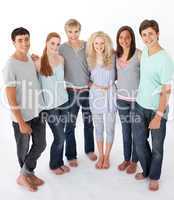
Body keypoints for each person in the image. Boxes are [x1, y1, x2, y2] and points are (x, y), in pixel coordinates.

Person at [2, 27, 46, 192]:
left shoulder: (29, 59)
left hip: (38, 112)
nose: (24, 43)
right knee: (23, 148)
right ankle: (23, 176)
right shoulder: (10, 65)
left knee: (41, 144)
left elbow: (39, 80)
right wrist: (20, 122)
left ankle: (27, 172)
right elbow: (10, 97)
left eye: (26, 39)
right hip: (23, 117)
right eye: (20, 40)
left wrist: (39, 61)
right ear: (13, 42)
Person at [133, 19, 174, 191]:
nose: (147, 37)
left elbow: (167, 90)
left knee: (157, 148)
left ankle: (154, 176)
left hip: (157, 110)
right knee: (140, 143)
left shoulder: (165, 59)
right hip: (140, 105)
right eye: (144, 35)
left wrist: (158, 115)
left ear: (157, 33)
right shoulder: (145, 54)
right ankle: (148, 170)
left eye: (151, 33)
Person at [59, 19, 97, 167]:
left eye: (76, 31)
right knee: (70, 124)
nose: (73, 35)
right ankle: (71, 155)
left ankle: (89, 150)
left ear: (79, 31)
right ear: (66, 32)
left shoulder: (87, 46)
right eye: (70, 32)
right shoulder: (62, 48)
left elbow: (94, 63)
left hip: (86, 91)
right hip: (70, 91)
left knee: (88, 122)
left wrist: (92, 80)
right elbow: (53, 60)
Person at [33, 32, 70, 175]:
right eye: (52, 43)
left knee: (62, 136)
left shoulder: (61, 59)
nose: (55, 46)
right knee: (59, 136)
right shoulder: (38, 63)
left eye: (57, 43)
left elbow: (61, 81)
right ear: (46, 43)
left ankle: (59, 162)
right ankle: (54, 165)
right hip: (50, 107)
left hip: (64, 102)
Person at [86, 31, 117, 169]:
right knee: (98, 128)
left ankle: (107, 156)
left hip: (111, 93)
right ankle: (100, 155)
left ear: (106, 43)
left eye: (102, 42)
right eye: (96, 43)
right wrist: (93, 85)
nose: (99, 45)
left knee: (110, 128)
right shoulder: (88, 59)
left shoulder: (113, 56)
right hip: (95, 94)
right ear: (92, 44)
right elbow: (84, 78)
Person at [116, 26, 141, 174]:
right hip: (121, 100)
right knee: (125, 131)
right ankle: (126, 159)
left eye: (127, 37)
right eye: (121, 37)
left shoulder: (139, 54)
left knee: (136, 132)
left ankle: (134, 161)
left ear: (132, 38)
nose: (124, 40)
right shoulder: (116, 55)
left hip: (136, 100)